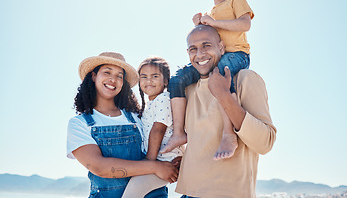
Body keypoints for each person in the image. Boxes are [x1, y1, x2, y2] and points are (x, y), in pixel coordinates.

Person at [163, 0, 254, 161]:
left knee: (219, 73)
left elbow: (245, 24)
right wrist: (199, 25)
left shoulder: (236, 0)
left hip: (236, 54)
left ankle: (229, 134)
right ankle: (179, 132)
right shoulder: (209, 13)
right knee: (177, 79)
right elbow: (206, 39)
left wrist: (214, 22)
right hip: (213, 58)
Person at [174, 25, 277, 198]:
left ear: (221, 47)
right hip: (188, 192)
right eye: (193, 49)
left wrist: (224, 95)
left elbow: (265, 143)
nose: (199, 54)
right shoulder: (188, 90)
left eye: (206, 45)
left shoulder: (245, 79)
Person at [66, 52, 179, 198]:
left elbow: (165, 137)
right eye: (107, 72)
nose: (113, 79)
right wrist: (155, 167)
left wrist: (179, 159)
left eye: (119, 76)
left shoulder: (137, 117)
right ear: (94, 76)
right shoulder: (79, 124)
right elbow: (100, 167)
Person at [122, 56, 184, 198]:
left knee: (134, 191)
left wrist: (149, 161)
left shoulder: (163, 98)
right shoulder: (151, 104)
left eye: (154, 76)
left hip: (165, 161)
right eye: (144, 77)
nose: (148, 80)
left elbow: (158, 129)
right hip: (159, 159)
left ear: (166, 80)